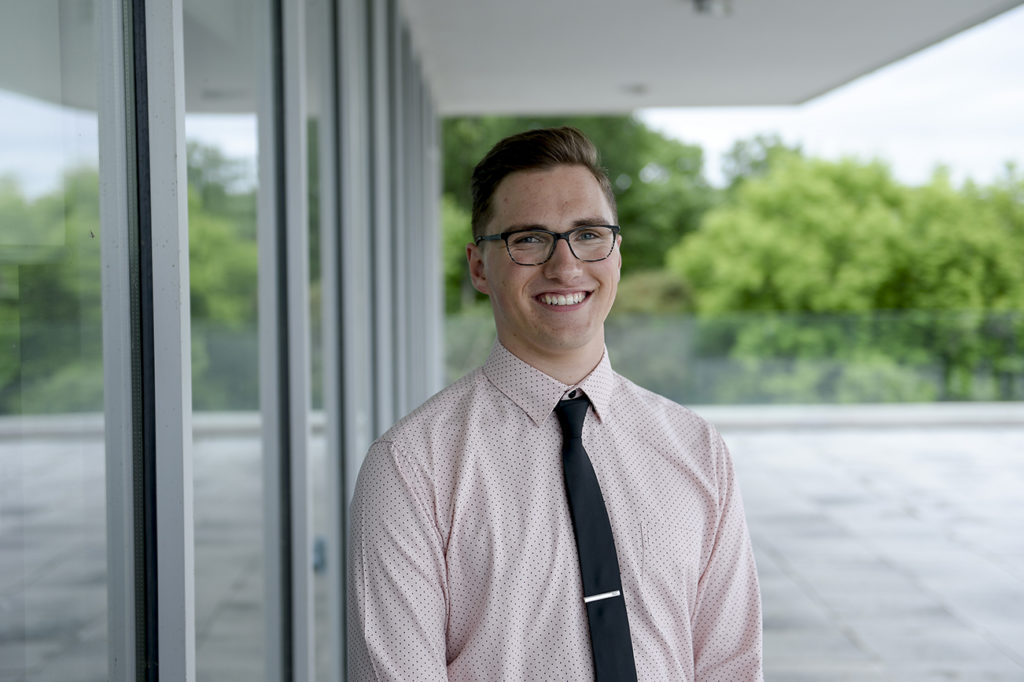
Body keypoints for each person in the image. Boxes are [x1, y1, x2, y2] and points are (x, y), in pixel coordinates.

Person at [348, 127, 763, 681]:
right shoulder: (410, 467)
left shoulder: (696, 449)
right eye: (528, 239)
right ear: (478, 267)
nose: (565, 267)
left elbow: (730, 667)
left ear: (616, 251)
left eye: (588, 234)